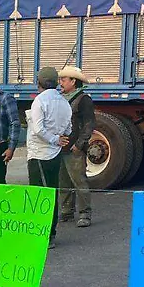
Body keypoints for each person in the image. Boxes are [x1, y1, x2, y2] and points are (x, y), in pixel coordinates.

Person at [26, 67, 72, 250]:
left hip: (40, 154)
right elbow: (68, 129)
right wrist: (60, 138)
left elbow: (38, 129)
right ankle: (50, 232)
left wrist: (53, 139)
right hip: (55, 155)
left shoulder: (40, 101)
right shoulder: (64, 102)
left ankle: (43, 234)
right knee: (52, 193)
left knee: (39, 195)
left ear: (40, 83)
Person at [57, 66, 96, 227]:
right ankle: (67, 211)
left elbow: (89, 124)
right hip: (61, 146)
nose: (60, 83)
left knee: (79, 181)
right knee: (63, 181)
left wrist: (79, 145)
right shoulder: (60, 98)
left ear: (74, 81)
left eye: (64, 80)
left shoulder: (83, 99)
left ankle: (85, 213)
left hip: (74, 148)